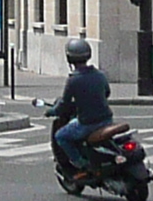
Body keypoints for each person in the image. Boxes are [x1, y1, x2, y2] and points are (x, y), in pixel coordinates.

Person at [48, 37, 112, 172]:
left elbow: (64, 104)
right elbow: (107, 92)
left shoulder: (73, 80)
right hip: (107, 120)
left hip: (87, 123)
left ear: (69, 58)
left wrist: (52, 111)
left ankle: (80, 163)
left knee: (61, 136)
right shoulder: (100, 75)